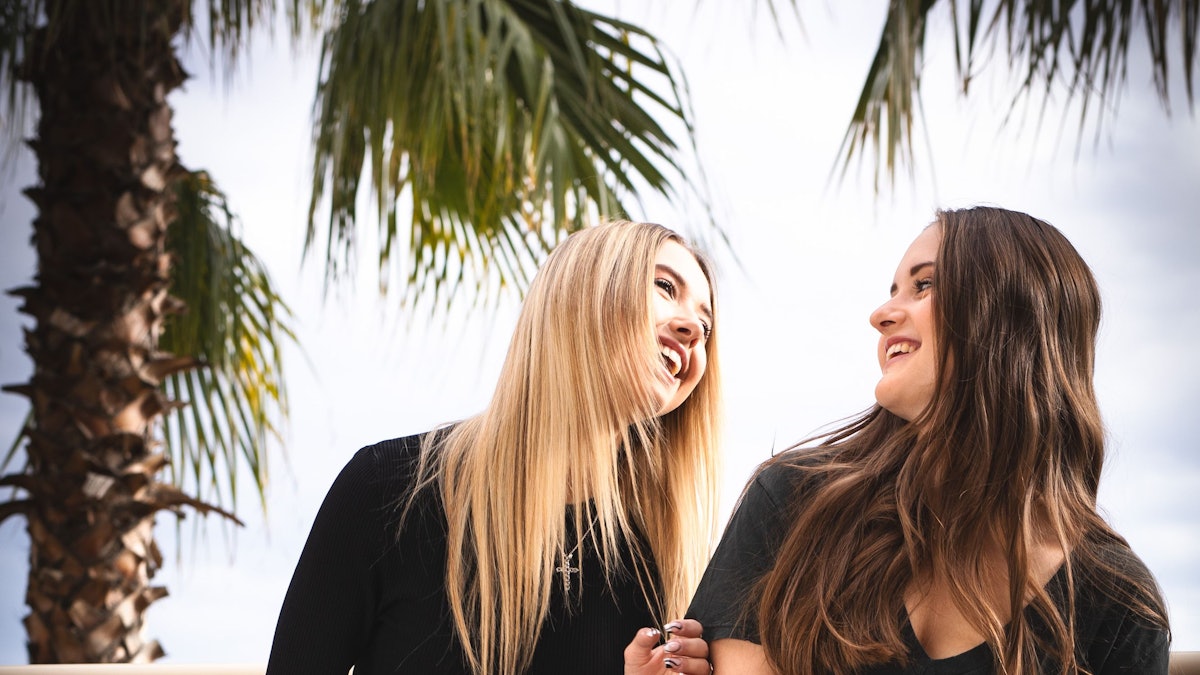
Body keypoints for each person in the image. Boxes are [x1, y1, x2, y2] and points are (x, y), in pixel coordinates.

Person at [688, 206, 1171, 674]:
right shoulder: (793, 501)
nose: (880, 315)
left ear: (1012, 315)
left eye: (924, 285)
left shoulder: (1116, 602)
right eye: (894, 290)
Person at [267, 220, 721, 675]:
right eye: (665, 287)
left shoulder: (665, 559)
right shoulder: (389, 490)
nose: (693, 330)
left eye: (705, 325)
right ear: (580, 294)